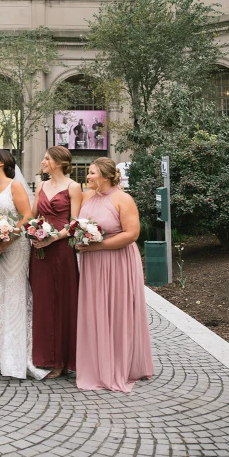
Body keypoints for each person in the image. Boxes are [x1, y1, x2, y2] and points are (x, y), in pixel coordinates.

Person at [76, 158, 154, 393]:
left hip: (117, 262)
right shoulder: (86, 197)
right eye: (88, 173)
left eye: (91, 173)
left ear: (106, 176)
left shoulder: (123, 199)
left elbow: (132, 234)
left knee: (117, 310)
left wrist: (99, 246)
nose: (87, 177)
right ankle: (97, 363)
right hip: (92, 263)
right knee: (95, 309)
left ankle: (120, 364)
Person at [0, 150, 48, 379]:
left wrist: (7, 240)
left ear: (3, 162)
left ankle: (14, 356)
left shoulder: (14, 186)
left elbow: (26, 217)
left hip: (15, 247)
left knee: (14, 294)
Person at [29, 146, 82, 378]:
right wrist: (32, 232)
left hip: (61, 251)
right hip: (40, 252)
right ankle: (43, 356)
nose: (43, 161)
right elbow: (32, 217)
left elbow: (74, 223)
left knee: (62, 302)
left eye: (47, 158)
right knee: (42, 302)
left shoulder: (73, 187)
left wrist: (52, 238)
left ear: (59, 163)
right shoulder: (40, 186)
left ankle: (61, 361)